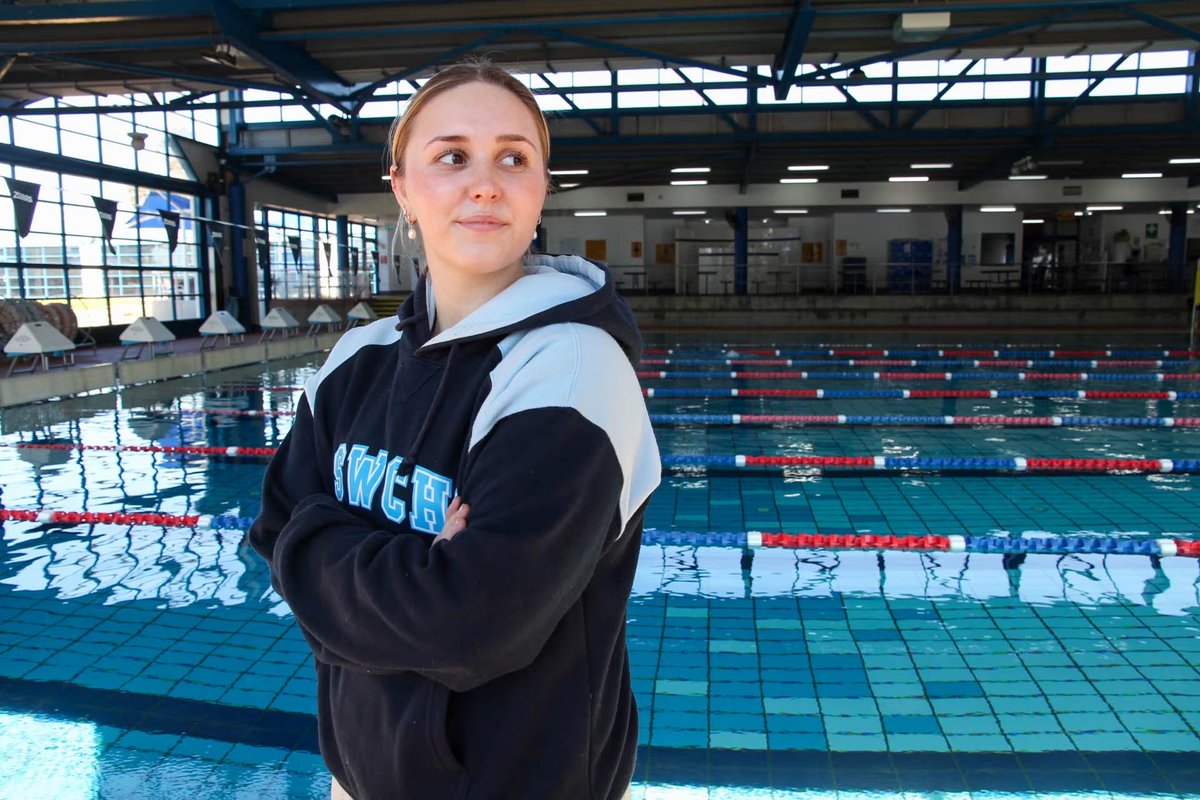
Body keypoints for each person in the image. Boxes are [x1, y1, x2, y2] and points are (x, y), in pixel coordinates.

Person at [248, 58, 660, 800]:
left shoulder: (574, 370)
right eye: (451, 158)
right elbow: (272, 532)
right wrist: (411, 567)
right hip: (359, 777)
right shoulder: (355, 358)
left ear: (541, 189)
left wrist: (324, 544)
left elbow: (474, 627)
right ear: (403, 189)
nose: (485, 183)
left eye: (513, 157)